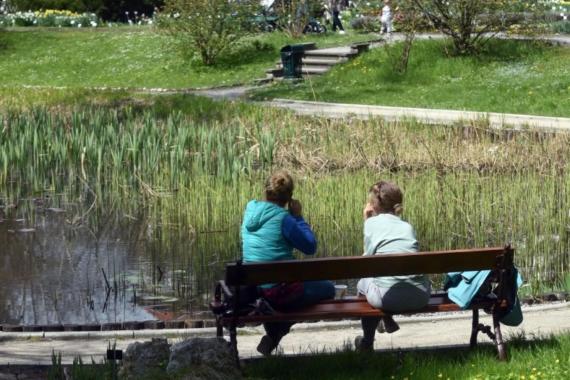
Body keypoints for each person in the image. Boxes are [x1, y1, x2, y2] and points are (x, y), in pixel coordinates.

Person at [241, 170, 335, 356]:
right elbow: (310, 247)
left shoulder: (250, 209)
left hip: (253, 290)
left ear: (265, 192)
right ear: (289, 197)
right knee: (328, 289)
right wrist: (298, 217)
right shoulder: (285, 219)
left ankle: (275, 329)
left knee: (280, 286)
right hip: (278, 292)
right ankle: (280, 327)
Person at [355, 180, 431, 351]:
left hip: (387, 298)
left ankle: (367, 341)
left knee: (363, 281)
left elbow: (366, 262)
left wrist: (367, 219)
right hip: (419, 296)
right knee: (383, 279)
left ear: (374, 204)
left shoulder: (371, 223)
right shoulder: (407, 227)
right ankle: (386, 318)